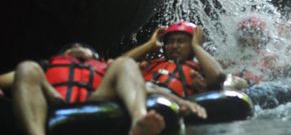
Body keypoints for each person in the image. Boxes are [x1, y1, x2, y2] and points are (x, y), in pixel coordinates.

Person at [0, 43, 165, 135]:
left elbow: (139, 84)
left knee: (126, 63)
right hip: (53, 98)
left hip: (98, 97)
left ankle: (140, 121)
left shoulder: (107, 66)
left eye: (83, 47)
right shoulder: (47, 65)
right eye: (71, 48)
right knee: (27, 67)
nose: (77, 46)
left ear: (96, 56)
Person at [124, 21, 225, 98]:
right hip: (140, 95)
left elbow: (218, 76)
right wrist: (150, 45)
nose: (175, 46)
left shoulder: (199, 71)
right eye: (171, 42)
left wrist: (197, 46)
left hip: (171, 101)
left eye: (181, 41)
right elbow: (119, 65)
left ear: (192, 45)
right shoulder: (153, 63)